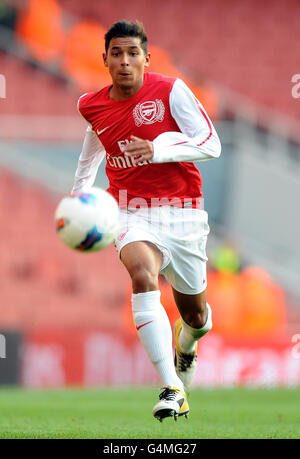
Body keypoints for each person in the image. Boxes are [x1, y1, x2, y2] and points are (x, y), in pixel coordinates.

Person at [72, 20, 221, 422]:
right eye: (116, 54)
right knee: (141, 276)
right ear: (104, 59)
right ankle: (173, 387)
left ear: (146, 58)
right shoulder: (91, 104)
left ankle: (186, 346)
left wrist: (157, 149)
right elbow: (95, 140)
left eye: (133, 53)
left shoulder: (171, 90)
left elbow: (211, 143)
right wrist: (80, 191)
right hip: (129, 209)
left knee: (197, 318)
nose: (124, 62)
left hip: (183, 212)